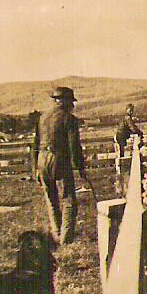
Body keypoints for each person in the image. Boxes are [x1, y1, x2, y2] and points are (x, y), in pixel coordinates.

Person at [32, 86, 86, 244]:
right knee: (69, 199)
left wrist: (35, 168)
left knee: (51, 199)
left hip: (42, 159)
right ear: (63, 101)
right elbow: (74, 146)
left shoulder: (42, 117)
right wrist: (80, 166)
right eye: (70, 101)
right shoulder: (69, 119)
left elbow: (35, 144)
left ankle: (56, 233)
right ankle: (65, 238)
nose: (72, 105)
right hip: (59, 161)